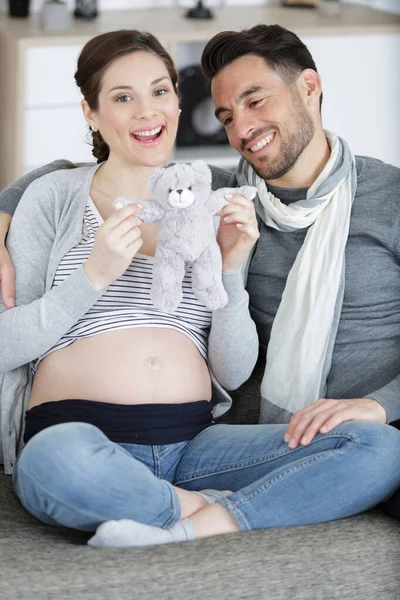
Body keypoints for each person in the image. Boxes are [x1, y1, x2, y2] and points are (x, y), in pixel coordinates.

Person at [0, 28, 399, 550]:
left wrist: (231, 269)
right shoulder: (61, 196)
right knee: (53, 461)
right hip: (78, 435)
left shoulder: (210, 200)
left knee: (379, 448)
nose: (148, 112)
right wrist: (91, 274)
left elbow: (231, 372)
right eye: (123, 97)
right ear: (92, 114)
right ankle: (204, 509)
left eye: (159, 91)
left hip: (195, 445)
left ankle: (192, 526)